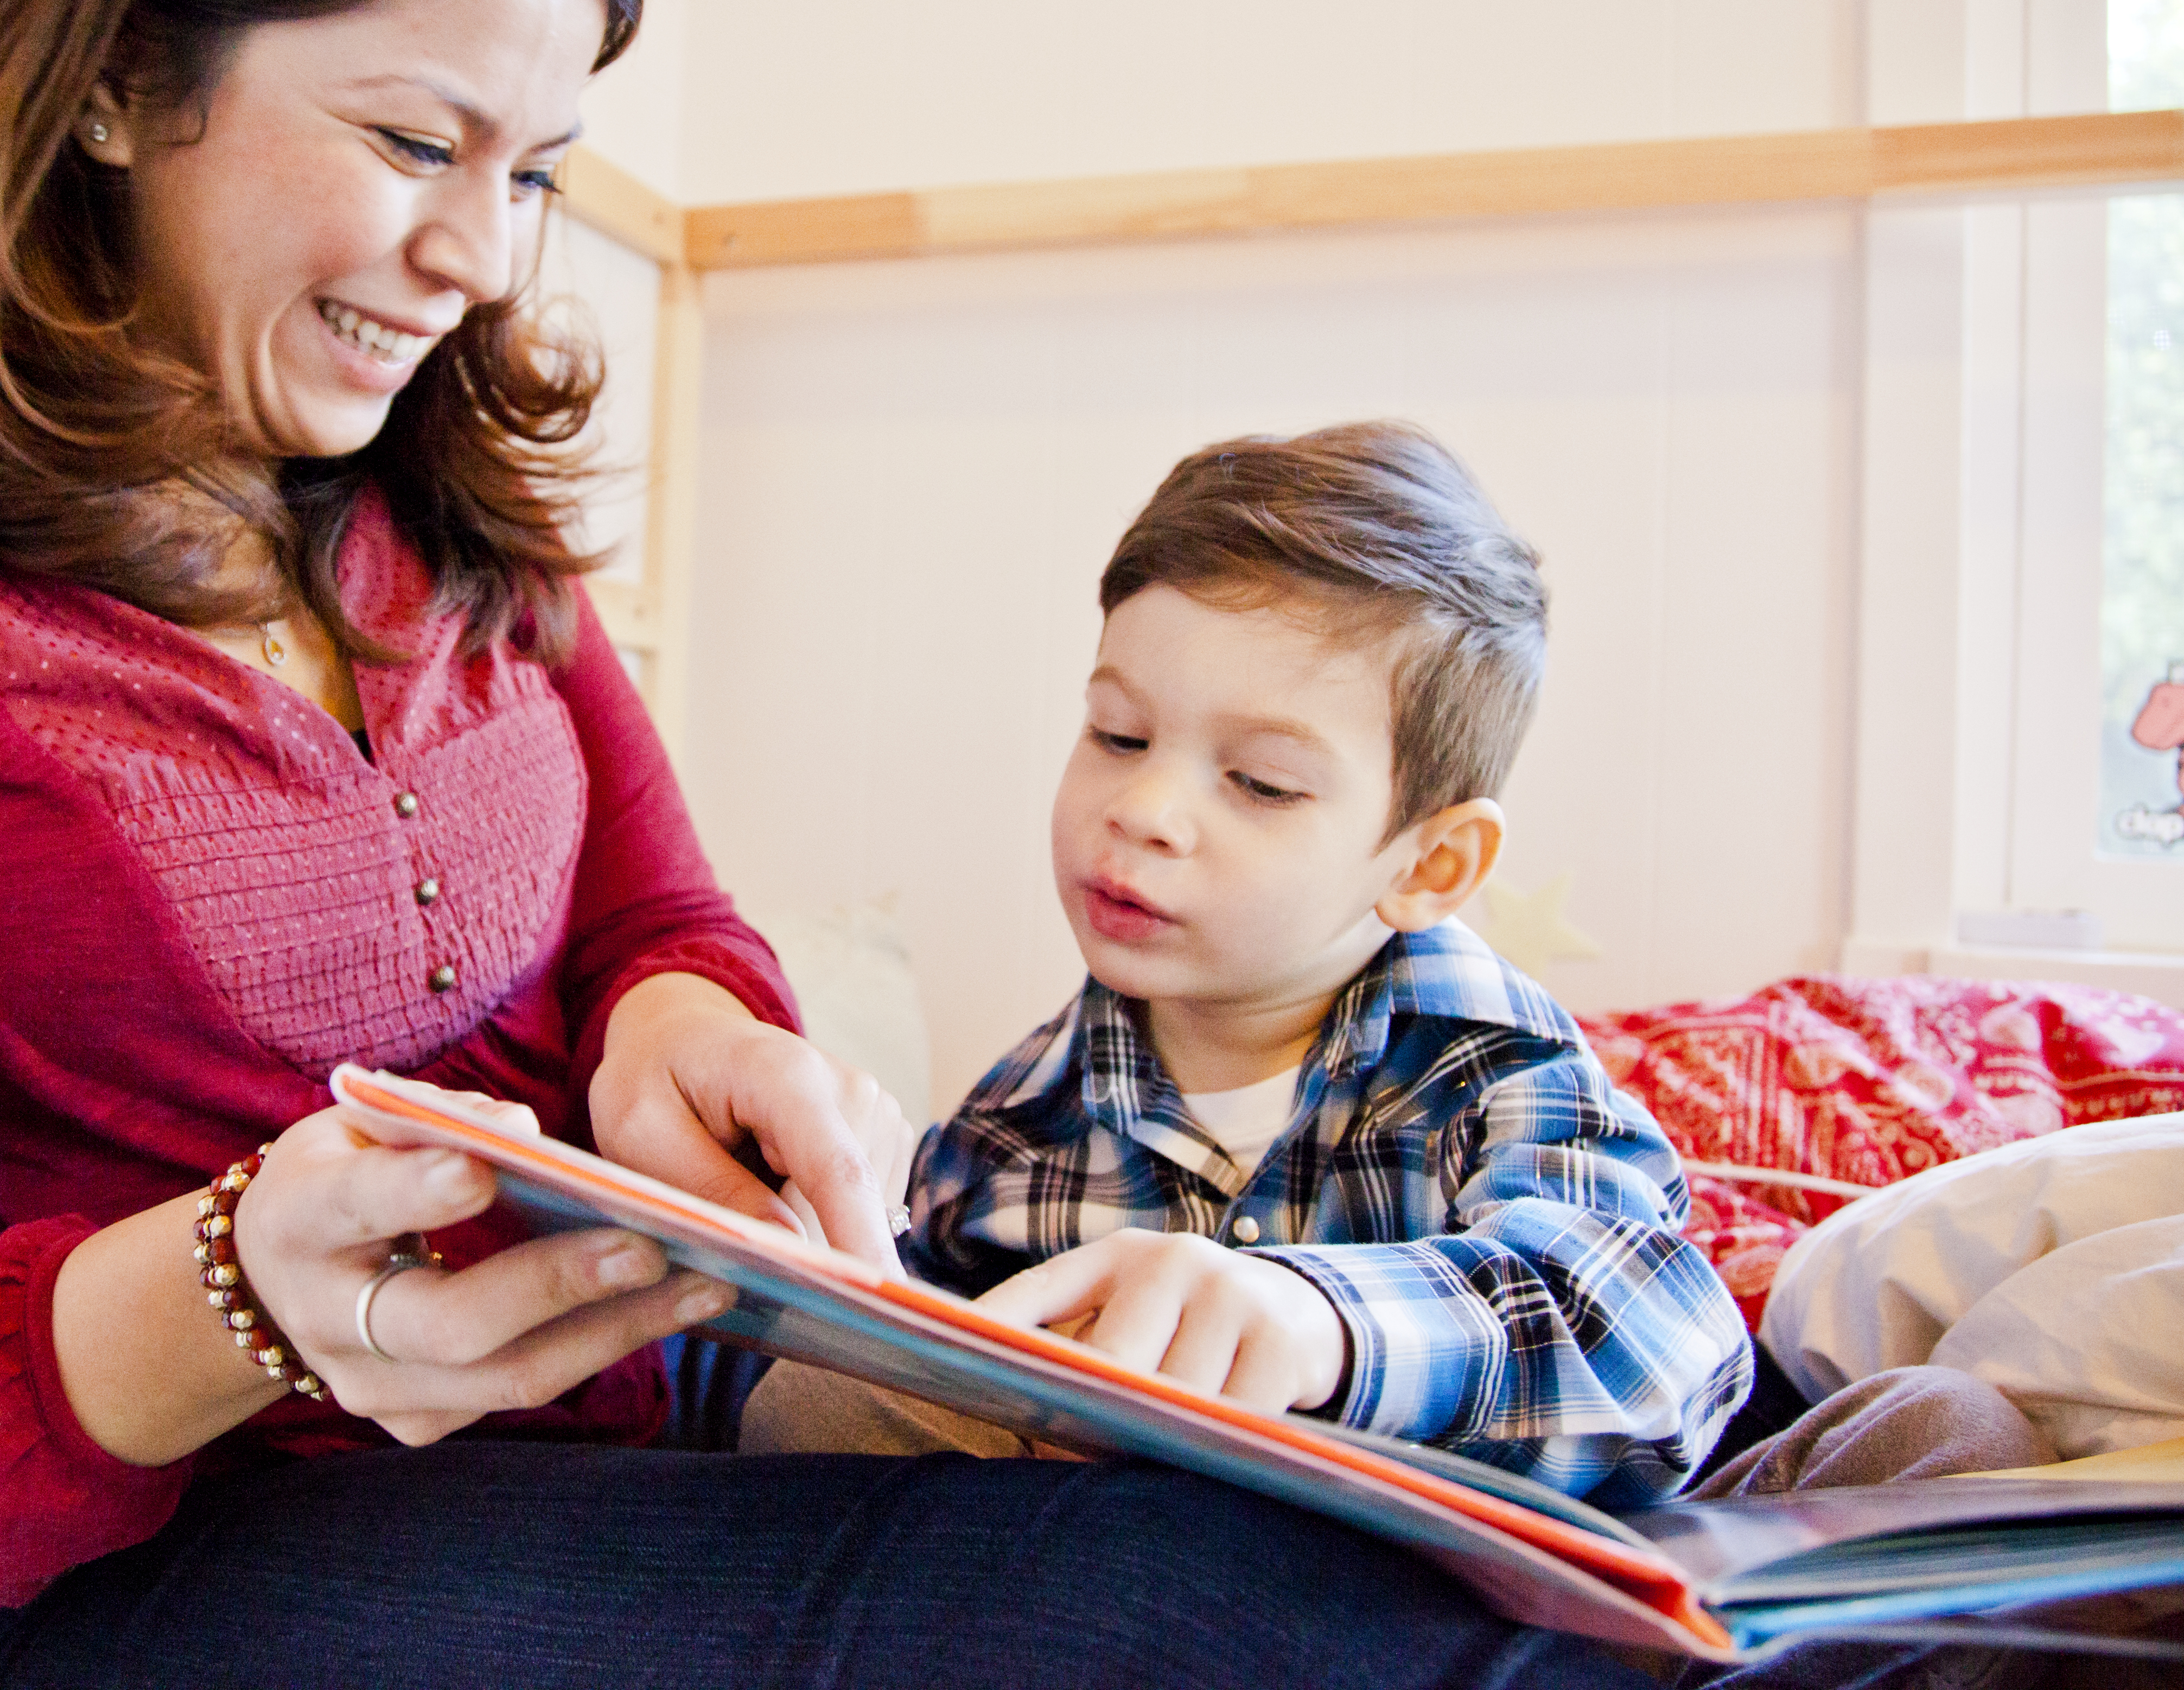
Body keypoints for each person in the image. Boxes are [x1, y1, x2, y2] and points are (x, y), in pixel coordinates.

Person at [0, 0, 1660, 1685]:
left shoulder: (450, 534)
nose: (481, 258)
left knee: (1341, 1539)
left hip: (629, 1440)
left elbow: (659, 933)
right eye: (414, 139)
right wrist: (237, 1292)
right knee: (1227, 1621)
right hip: (144, 1569)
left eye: (529, 171)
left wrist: (692, 1039)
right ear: (113, 77)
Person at [746, 424, 1753, 1506]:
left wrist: (1322, 1327)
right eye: (1119, 734)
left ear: (1431, 863)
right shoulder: (1013, 1124)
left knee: (1903, 1436)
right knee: (805, 1401)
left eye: (1262, 784)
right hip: (1135, 1585)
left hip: (1434, 1595)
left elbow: (1664, 1346)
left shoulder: (1496, 1070)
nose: (1142, 810)